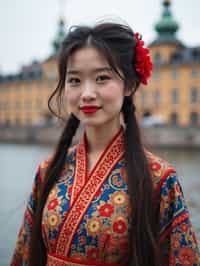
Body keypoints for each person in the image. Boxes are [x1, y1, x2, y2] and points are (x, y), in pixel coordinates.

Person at [10, 22, 200, 266]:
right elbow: (26, 254)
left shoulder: (159, 179)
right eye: (75, 80)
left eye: (101, 78)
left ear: (130, 85)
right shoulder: (49, 170)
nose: (87, 93)